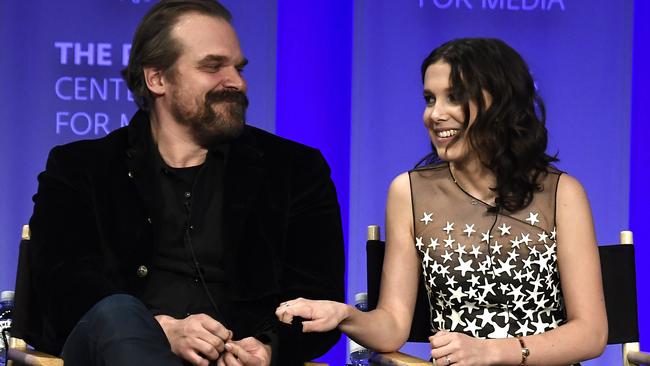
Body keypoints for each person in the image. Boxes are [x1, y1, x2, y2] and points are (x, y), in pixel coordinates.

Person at [13, 1, 345, 365]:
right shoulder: (81, 168)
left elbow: (318, 298)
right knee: (117, 313)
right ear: (157, 78)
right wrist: (157, 331)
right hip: (115, 354)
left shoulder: (294, 170)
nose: (236, 81)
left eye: (238, 68)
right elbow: (63, 287)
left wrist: (267, 348)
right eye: (213, 66)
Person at [276, 38, 607, 366]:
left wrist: (491, 351)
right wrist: (343, 315)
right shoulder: (408, 192)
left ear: (500, 103)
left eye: (455, 97)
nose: (434, 114)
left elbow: (591, 333)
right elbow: (392, 326)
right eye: (429, 99)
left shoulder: (562, 194)